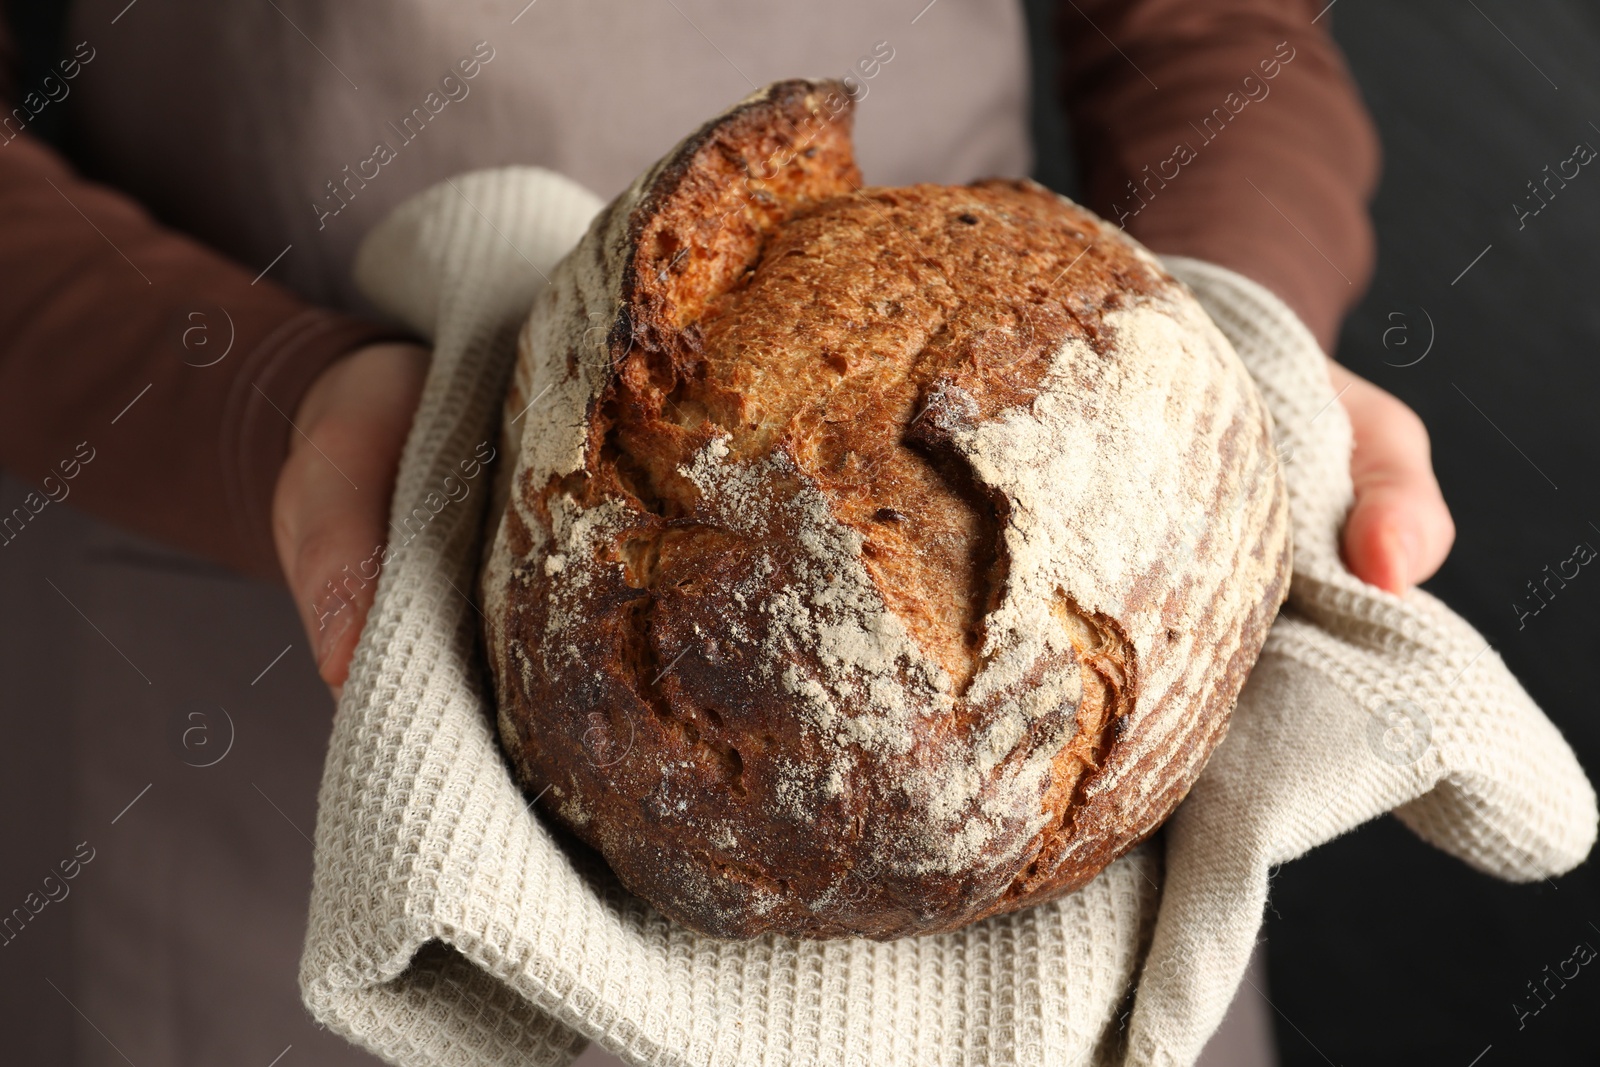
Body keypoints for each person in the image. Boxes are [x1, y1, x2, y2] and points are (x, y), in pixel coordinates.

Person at [0, 1, 1453, 1062]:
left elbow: (1214, 28)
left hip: (1075, 507)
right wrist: (269, 402)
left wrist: (1218, 361)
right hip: (246, 684)